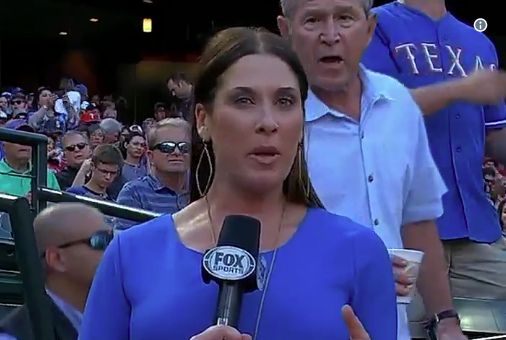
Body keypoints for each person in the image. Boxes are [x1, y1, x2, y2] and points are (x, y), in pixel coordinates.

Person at [78, 27, 397, 340]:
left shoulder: (360, 252)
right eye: (244, 100)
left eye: (285, 102)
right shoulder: (131, 254)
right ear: (203, 121)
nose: (268, 123)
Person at [276, 0, 462, 339]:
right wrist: (354, 268)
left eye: (345, 18)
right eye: (313, 20)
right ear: (286, 30)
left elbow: (417, 219)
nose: (330, 35)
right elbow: (243, 234)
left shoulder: (398, 103)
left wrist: (446, 320)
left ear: (370, 28)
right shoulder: (271, 119)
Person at [361, 0, 506, 335]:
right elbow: (379, 108)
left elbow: (494, 136)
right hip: (400, 232)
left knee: (494, 329)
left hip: (477, 231)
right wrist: (461, 89)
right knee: (401, 331)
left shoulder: (478, 42)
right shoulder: (373, 25)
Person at [0, 203, 113, 340]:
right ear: (57, 259)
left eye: (115, 240)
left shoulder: (119, 319)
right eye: (101, 241)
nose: (114, 250)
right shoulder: (17, 336)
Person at [115, 118, 190, 230]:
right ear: (150, 156)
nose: (177, 152)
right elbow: (126, 244)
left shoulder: (203, 191)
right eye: (167, 147)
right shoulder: (134, 193)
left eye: (184, 147)